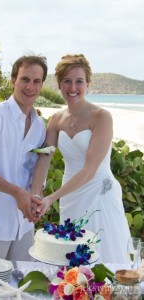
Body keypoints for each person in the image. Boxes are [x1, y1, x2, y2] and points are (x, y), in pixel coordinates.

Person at [30, 54, 131, 264]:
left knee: (102, 255)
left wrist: (52, 197)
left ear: (88, 84)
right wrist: (36, 195)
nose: (72, 87)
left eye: (79, 81)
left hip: (98, 193)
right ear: (59, 84)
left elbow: (90, 169)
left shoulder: (101, 117)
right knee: (71, 256)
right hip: (70, 196)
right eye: (67, 81)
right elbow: (44, 159)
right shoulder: (57, 120)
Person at [0, 54, 48, 261]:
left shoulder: (39, 126)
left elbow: (33, 171)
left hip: (23, 224)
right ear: (13, 80)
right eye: (25, 79)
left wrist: (35, 198)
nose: (30, 86)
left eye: (36, 81)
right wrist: (16, 192)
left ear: (41, 86)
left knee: (21, 286)